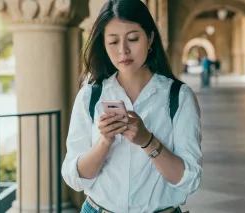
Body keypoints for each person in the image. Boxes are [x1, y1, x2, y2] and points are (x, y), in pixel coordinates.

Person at [61, 1, 203, 213]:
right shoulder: (90, 96)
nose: (123, 51)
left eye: (133, 39)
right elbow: (75, 177)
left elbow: (189, 180)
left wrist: (147, 140)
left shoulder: (178, 97)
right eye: (113, 42)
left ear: (151, 38)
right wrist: (105, 141)